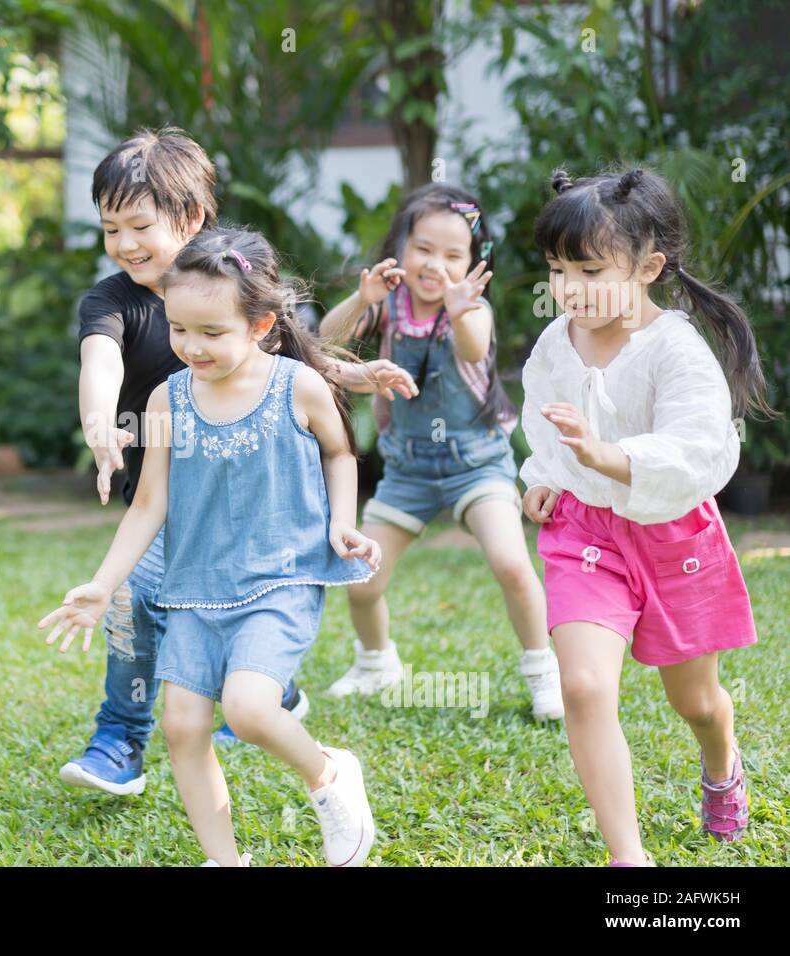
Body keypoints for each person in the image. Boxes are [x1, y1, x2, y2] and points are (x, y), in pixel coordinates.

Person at [66, 128, 415, 795]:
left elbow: (295, 356)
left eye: (139, 225)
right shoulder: (111, 302)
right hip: (171, 501)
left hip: (259, 505)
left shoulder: (233, 285)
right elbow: (99, 359)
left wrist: (349, 374)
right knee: (136, 602)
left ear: (192, 219)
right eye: (110, 229)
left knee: (245, 602)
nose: (124, 244)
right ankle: (120, 737)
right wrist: (98, 420)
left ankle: (266, 693)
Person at [42, 226, 381, 866]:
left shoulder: (297, 386)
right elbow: (149, 504)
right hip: (194, 586)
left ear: (261, 325)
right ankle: (224, 862)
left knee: (251, 709)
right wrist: (104, 583)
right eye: (179, 330)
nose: (191, 347)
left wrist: (342, 522)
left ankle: (331, 775)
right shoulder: (168, 399)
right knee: (183, 727)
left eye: (211, 333)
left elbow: (340, 453)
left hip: (279, 577)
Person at [521, 167, 770, 864]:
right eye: (557, 270)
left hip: (671, 537)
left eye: (590, 269)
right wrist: (544, 476)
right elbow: (546, 423)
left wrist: (610, 457)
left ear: (650, 266)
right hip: (585, 534)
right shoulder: (555, 341)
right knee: (583, 683)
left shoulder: (677, 350)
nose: (569, 289)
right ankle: (628, 859)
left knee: (695, 702)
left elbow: (695, 450)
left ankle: (721, 759)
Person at [319, 184, 562, 720]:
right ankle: (376, 661)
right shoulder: (387, 309)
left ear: (475, 262)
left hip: (476, 465)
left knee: (512, 564)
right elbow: (324, 340)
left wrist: (459, 310)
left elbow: (474, 346)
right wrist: (363, 299)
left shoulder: (473, 311)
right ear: (402, 247)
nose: (435, 264)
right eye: (424, 248)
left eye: (454, 255)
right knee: (362, 579)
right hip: (408, 470)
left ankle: (544, 671)